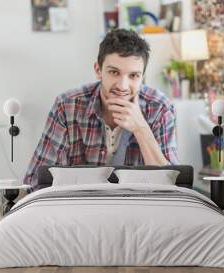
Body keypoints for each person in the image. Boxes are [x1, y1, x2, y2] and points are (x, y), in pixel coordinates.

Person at [24, 29, 179, 190]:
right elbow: (35, 181)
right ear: (98, 70)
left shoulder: (161, 109)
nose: (122, 86)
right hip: (80, 207)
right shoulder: (68, 106)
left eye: (133, 76)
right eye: (114, 72)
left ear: (142, 77)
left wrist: (141, 128)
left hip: (137, 206)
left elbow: (171, 187)